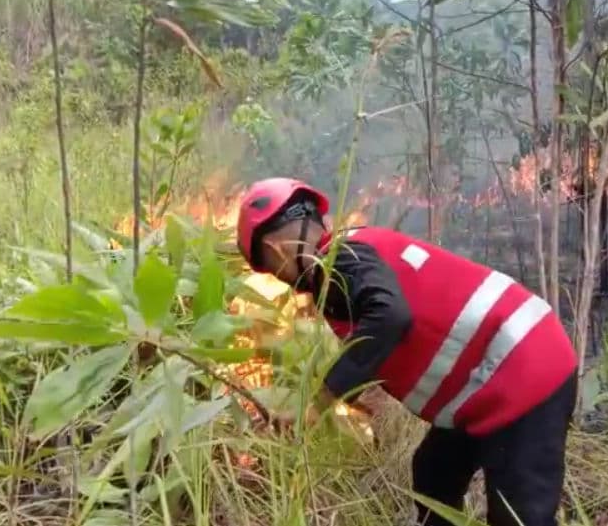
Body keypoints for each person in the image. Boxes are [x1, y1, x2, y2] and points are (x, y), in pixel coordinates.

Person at [235, 177, 579, 526]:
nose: (281, 279)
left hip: (525, 375)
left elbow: (389, 317)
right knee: (434, 473)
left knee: (518, 518)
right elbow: (393, 336)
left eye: (269, 268)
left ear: (277, 249)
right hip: (490, 378)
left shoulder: (337, 263)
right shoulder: (355, 251)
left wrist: (321, 400)